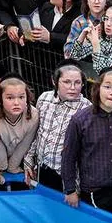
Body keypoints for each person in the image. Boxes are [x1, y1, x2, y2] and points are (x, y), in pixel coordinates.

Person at [61, 68, 112, 221]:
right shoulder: (80, 120)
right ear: (98, 89)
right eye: (107, 86)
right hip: (95, 191)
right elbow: (68, 157)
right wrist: (70, 189)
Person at [28, 61, 91, 191]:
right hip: (43, 167)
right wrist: (29, 161)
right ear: (55, 81)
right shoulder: (44, 98)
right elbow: (37, 132)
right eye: (67, 82)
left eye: (77, 83)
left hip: (68, 175)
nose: (73, 87)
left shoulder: (87, 109)